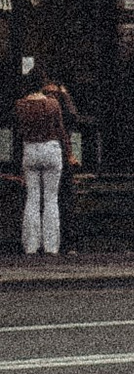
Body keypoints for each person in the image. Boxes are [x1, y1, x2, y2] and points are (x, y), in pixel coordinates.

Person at [13, 73, 71, 261]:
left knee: (32, 198)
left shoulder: (20, 105)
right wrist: (68, 152)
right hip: (51, 148)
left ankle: (31, 245)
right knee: (51, 199)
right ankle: (51, 246)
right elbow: (61, 129)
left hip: (30, 148)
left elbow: (19, 131)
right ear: (42, 86)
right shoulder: (53, 104)